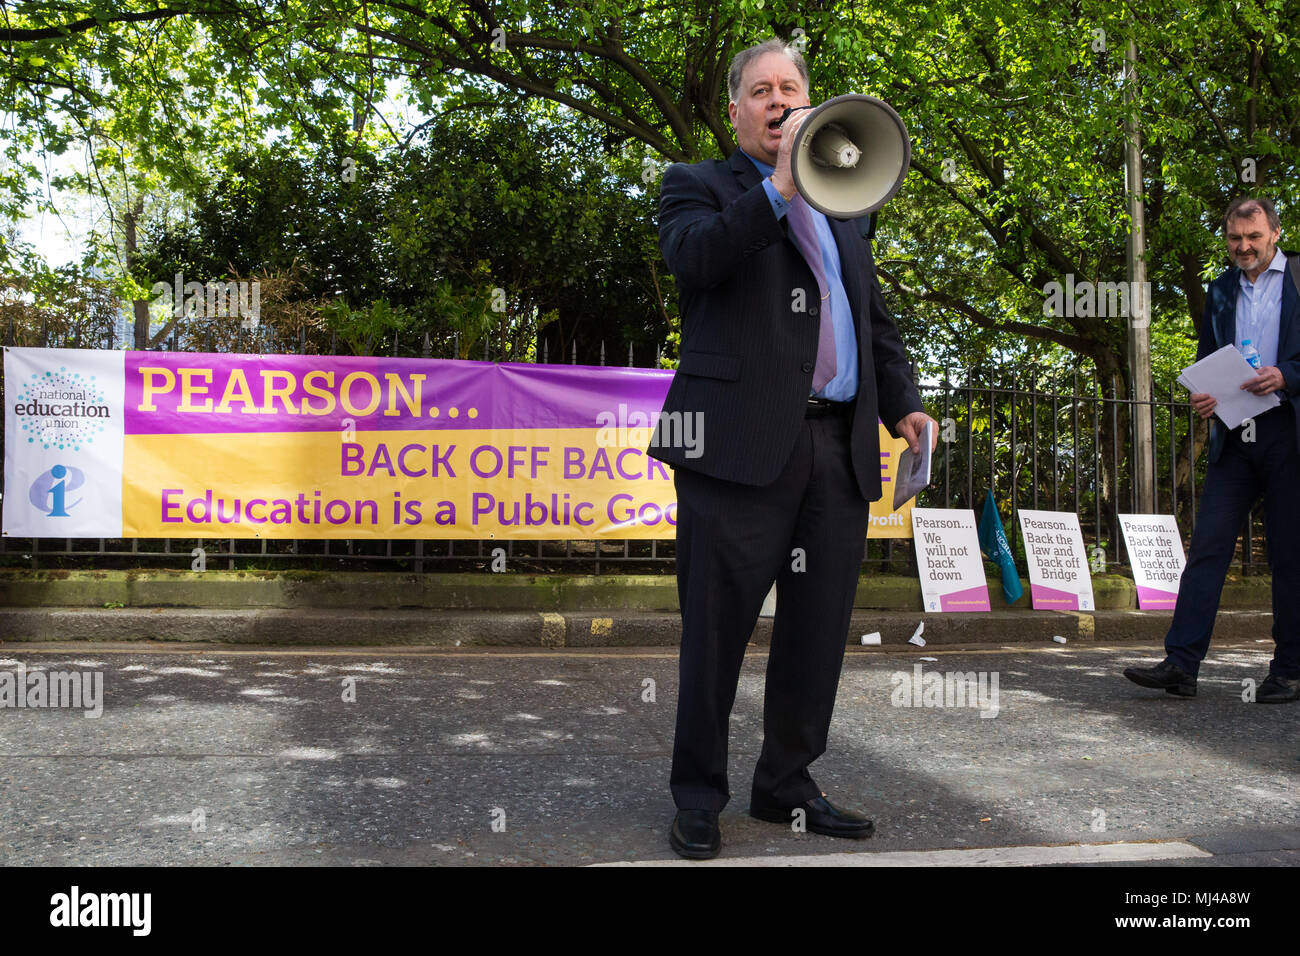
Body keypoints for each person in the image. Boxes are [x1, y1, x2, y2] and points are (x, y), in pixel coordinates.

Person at [649, 37, 936, 859]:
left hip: (837, 451)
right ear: (736, 108)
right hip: (734, 450)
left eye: (793, 87)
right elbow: (697, 261)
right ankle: (698, 793)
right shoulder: (697, 185)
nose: (780, 100)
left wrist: (906, 407)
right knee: (715, 629)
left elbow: (869, 318)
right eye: (763, 90)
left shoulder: (850, 200)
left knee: (816, 633)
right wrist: (779, 190)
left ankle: (785, 786)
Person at [1124, 197, 1300, 702]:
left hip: (1288, 432)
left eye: (1253, 237)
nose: (1243, 247)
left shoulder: (1298, 279)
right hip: (1235, 435)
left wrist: (1287, 374)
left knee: (1289, 554)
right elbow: (1210, 358)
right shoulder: (1220, 290)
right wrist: (1204, 395)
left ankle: (1289, 670)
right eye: (1233, 239)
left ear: (1275, 233)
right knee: (1206, 549)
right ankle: (1180, 664)